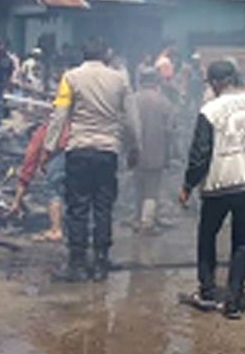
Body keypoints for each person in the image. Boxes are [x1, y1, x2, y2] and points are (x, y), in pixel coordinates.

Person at [179, 60, 245, 319]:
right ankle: (234, 303)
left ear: (216, 83)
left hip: (219, 185)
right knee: (241, 242)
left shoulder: (210, 111)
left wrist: (188, 185)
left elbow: (200, 154)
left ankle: (207, 291)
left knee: (207, 236)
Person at [43, 38, 141, 282]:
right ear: (106, 54)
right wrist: (134, 147)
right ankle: (100, 262)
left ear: (83, 54)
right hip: (108, 151)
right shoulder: (119, 79)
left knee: (77, 208)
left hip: (79, 150)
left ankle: (77, 263)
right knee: (103, 207)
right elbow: (131, 118)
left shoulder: (70, 77)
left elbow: (60, 115)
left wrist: (48, 147)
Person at [132, 67, 177, 234]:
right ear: (156, 81)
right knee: (151, 189)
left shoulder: (132, 100)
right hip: (157, 151)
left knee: (138, 187)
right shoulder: (163, 102)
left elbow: (124, 125)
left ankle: (137, 219)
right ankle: (147, 222)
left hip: (135, 152)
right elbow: (171, 129)